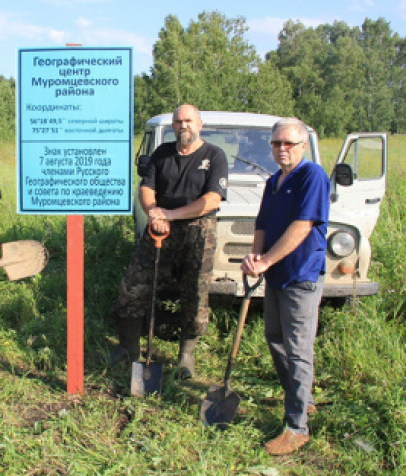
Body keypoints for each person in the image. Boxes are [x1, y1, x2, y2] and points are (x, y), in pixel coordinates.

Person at [108, 104, 228, 380]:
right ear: (173, 126)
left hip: (198, 231)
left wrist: (171, 214)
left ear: (199, 124)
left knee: (195, 294)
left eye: (188, 120)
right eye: (177, 121)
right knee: (131, 287)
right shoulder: (162, 153)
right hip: (159, 229)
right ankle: (130, 350)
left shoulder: (214, 155)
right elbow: (146, 188)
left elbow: (212, 200)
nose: (182, 125)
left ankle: (186, 357)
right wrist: (153, 212)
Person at [241, 118, 330, 455]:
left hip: (301, 275)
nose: (281, 149)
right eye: (276, 143)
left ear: (302, 146)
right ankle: (301, 399)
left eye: (288, 143)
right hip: (276, 275)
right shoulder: (274, 181)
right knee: (275, 339)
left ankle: (296, 427)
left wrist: (265, 261)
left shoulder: (312, 176)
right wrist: (255, 256)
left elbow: (303, 226)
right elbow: (262, 223)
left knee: (297, 348)